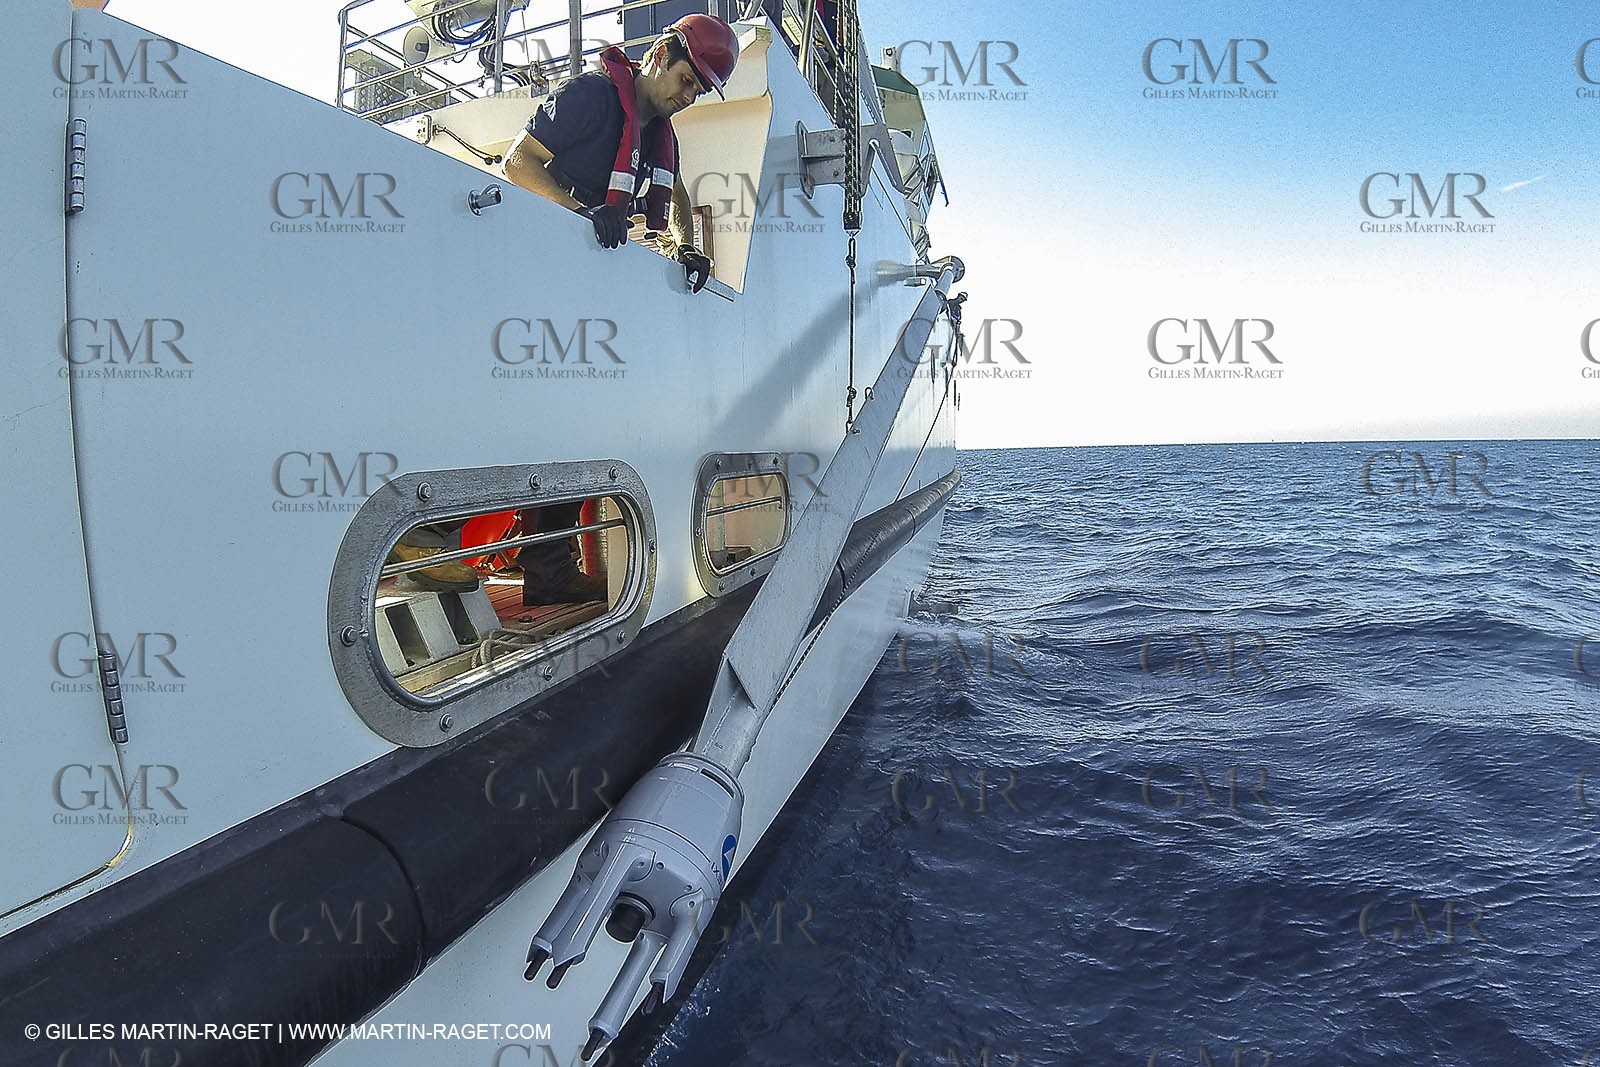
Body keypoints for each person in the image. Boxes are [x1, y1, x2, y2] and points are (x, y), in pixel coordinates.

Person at [501, 14, 740, 295]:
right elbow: (516, 162)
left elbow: (679, 196)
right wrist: (580, 213)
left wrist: (685, 247)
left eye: (699, 92)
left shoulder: (663, 137)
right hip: (534, 255)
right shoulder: (589, 96)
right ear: (662, 55)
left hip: (589, 271)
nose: (689, 98)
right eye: (686, 80)